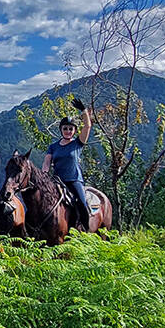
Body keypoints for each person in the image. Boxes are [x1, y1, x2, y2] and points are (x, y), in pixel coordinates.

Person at [42, 98, 93, 231]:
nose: (68, 131)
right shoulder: (53, 147)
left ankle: (85, 230)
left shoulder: (78, 143)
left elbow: (88, 126)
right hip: (57, 180)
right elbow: (47, 162)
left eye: (71, 129)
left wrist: (84, 111)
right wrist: (44, 174)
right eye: (65, 128)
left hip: (74, 180)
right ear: (61, 130)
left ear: (74, 131)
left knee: (82, 203)